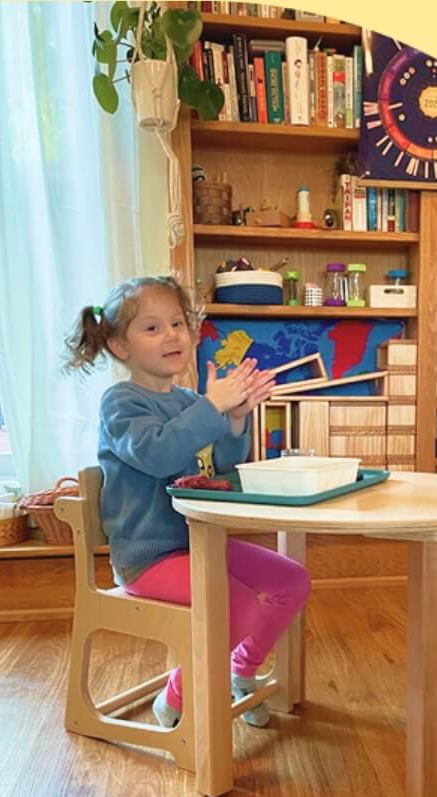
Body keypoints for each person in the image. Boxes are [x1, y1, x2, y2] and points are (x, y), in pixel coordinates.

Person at [63, 275, 311, 728]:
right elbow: (157, 454)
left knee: (291, 580)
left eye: (177, 323)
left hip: (198, 544)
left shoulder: (188, 402)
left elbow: (222, 467)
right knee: (238, 606)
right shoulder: (120, 403)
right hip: (149, 560)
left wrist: (234, 420)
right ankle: (176, 696)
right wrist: (212, 408)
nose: (172, 335)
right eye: (152, 328)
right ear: (119, 346)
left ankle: (240, 671)